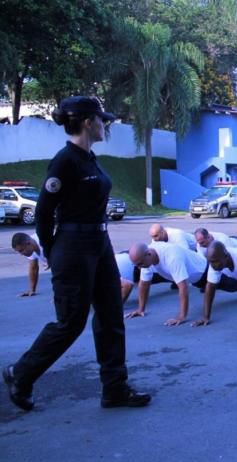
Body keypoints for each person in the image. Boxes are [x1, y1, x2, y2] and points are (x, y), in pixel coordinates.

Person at [3, 96, 150, 411]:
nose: (104, 125)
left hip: (99, 245)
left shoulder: (90, 158)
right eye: (101, 120)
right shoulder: (65, 160)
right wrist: (53, 252)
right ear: (87, 122)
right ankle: (21, 373)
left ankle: (115, 389)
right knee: (71, 321)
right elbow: (43, 212)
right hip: (73, 248)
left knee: (111, 317)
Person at [125, 242, 207, 325]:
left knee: (213, 287)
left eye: (140, 264)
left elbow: (183, 287)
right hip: (182, 276)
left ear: (149, 254)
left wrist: (182, 316)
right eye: (136, 265)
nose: (139, 267)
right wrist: (140, 309)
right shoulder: (146, 258)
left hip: (205, 273)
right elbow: (144, 284)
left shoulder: (172, 257)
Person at [11, 232, 47, 297]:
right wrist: (32, 290)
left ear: (28, 243)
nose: (21, 254)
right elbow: (33, 268)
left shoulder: (46, 243)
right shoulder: (30, 244)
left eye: (21, 250)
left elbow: (63, 269)